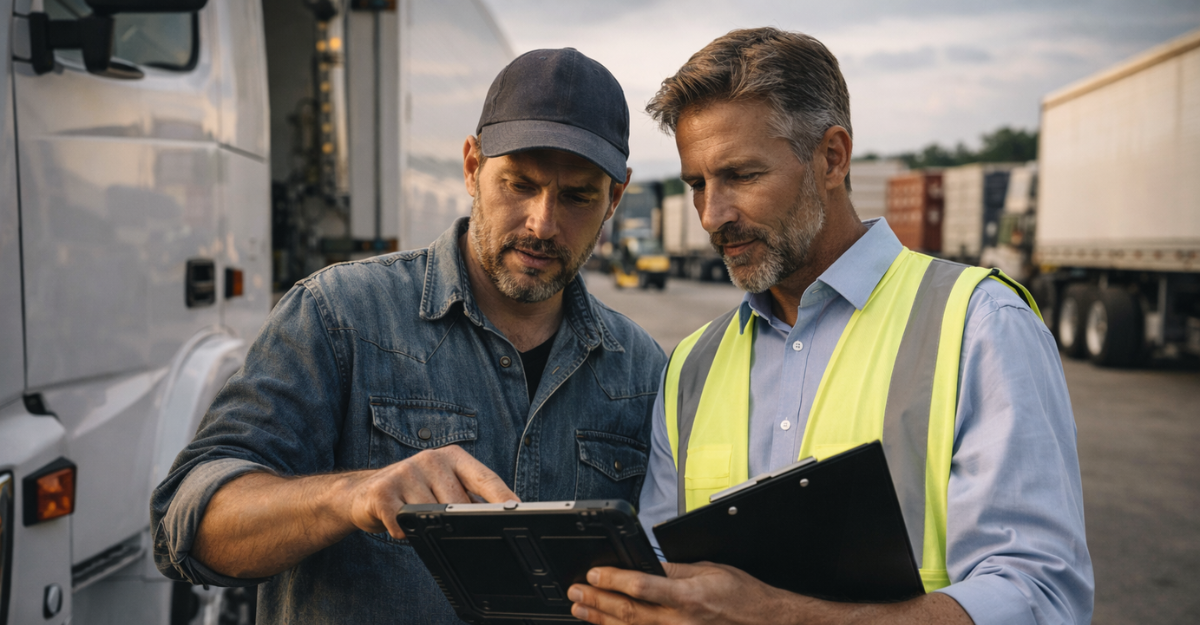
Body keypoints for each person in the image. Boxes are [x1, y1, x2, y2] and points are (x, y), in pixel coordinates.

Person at [567, 28, 1093, 625]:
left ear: (833, 158)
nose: (713, 215)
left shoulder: (980, 327)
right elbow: (667, 577)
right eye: (697, 184)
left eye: (740, 175)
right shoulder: (690, 366)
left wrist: (777, 616)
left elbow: (1039, 596)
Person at [151, 48, 667, 624]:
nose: (542, 224)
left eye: (577, 196)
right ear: (472, 167)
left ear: (614, 199)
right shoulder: (338, 315)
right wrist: (353, 496)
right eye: (518, 184)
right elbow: (190, 526)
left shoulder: (643, 371)